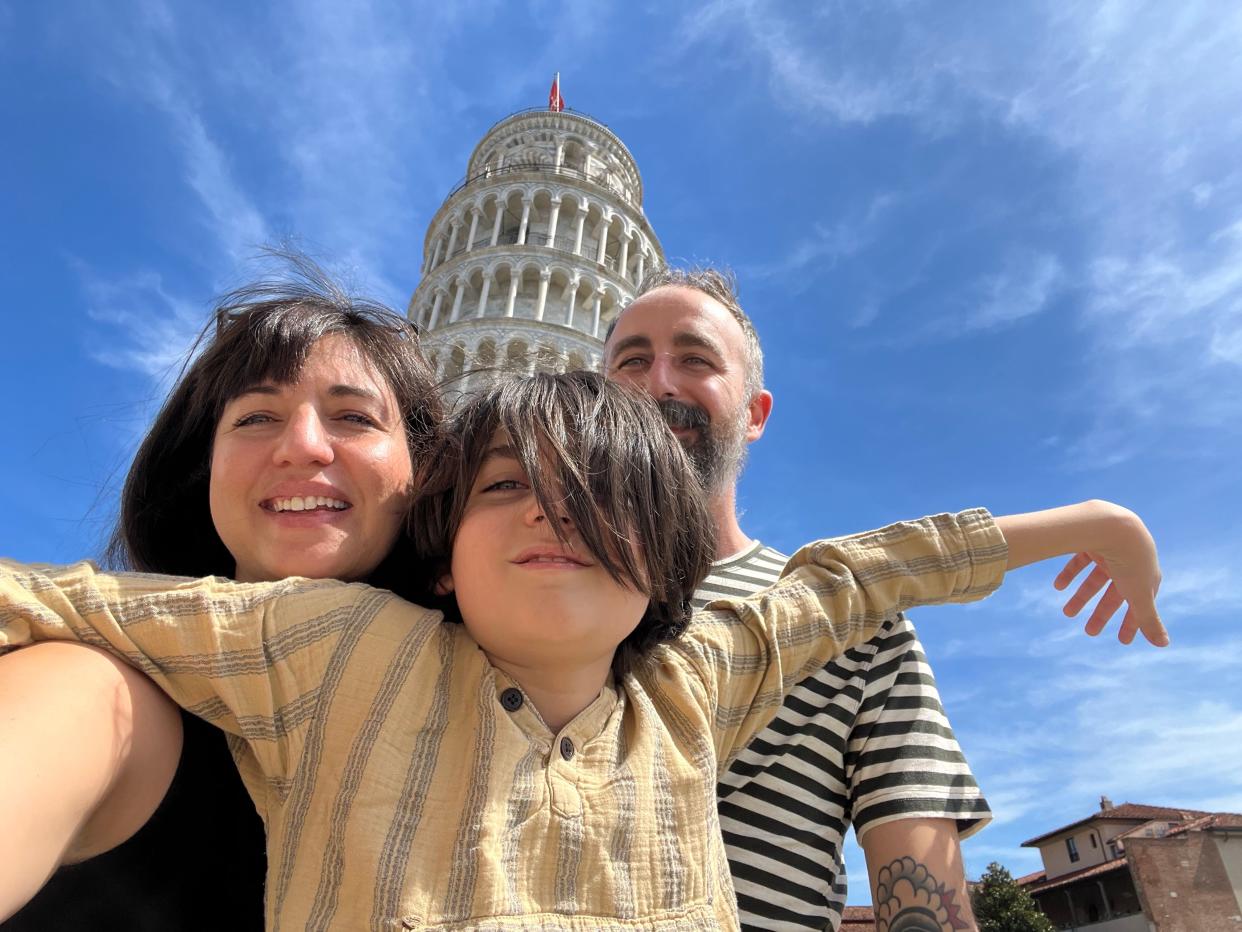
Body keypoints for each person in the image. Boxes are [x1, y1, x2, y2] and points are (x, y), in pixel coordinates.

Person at [1, 370, 1165, 930]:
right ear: (445, 555)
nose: (555, 515)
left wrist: (1098, 524)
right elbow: (82, 601)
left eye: (601, 499)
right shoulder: (339, 645)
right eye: (508, 487)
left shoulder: (690, 685)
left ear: (663, 566)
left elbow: (853, 577)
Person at [602, 266, 1148, 930]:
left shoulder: (864, 626)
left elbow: (922, 894)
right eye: (632, 360)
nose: (659, 383)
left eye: (695, 359)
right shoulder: (518, 589)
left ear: (754, 414)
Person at [0, 263, 441, 930]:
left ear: (424, 474)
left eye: (353, 416)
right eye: (257, 416)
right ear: (204, 467)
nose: (302, 446)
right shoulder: (103, 692)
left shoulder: (481, 734)